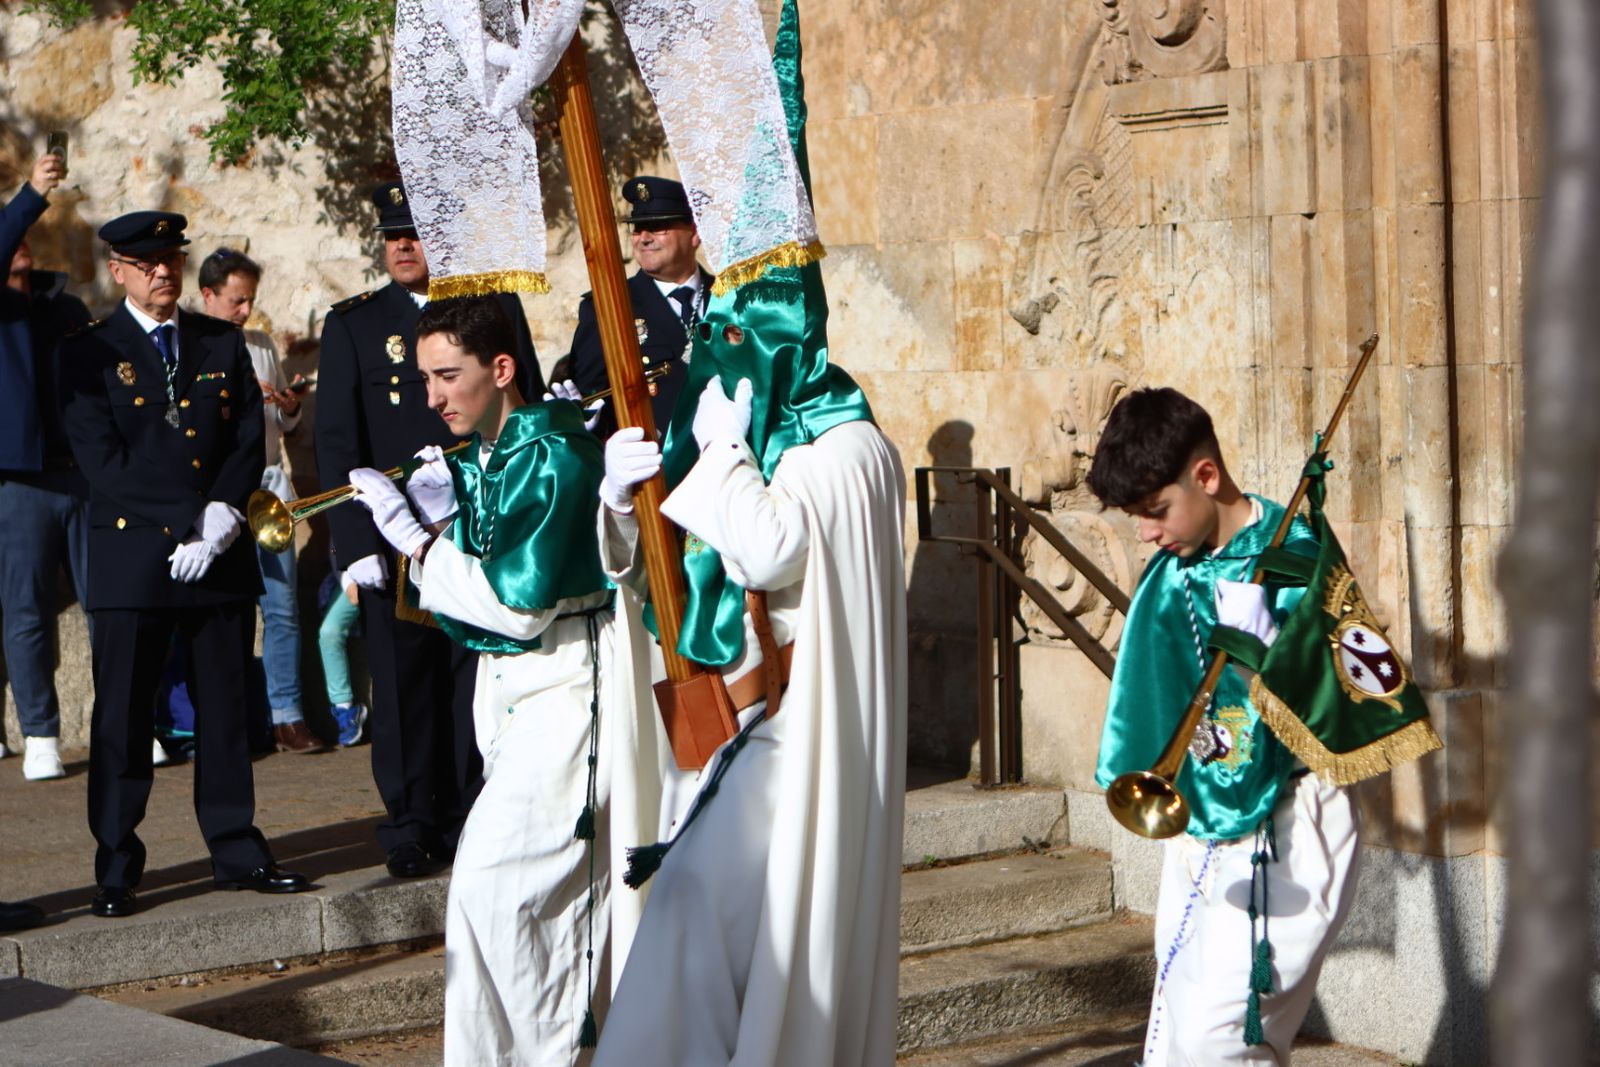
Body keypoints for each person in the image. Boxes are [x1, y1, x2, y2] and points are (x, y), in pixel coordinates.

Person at [348, 295, 660, 1065]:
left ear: (502, 367)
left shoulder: (553, 455)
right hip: (519, 704)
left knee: (498, 891)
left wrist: (421, 547)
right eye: (425, 379)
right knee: (507, 908)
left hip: (570, 699)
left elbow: (517, 606)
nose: (434, 397)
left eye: (448, 375)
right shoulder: (486, 454)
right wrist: (448, 518)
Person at [1083, 387, 1359, 1064]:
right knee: (1175, 1040)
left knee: (1220, 1042)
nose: (1146, 533)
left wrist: (1270, 629)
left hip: (1288, 820)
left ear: (1205, 476)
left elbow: (1349, 688)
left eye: (1155, 511)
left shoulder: (1294, 557)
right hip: (1200, 823)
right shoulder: (1172, 569)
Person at [59, 210, 311, 918]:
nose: (163, 271)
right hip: (134, 553)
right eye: (146, 263)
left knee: (227, 710)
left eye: (170, 258)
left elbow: (242, 437)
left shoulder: (219, 341)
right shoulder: (88, 352)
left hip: (219, 552)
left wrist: (225, 513)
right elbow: (101, 457)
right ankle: (115, 864)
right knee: (123, 718)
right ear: (119, 271)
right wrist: (186, 517)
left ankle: (236, 847)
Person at [314, 180, 545, 879]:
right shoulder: (355, 323)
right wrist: (353, 547)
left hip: (474, 525)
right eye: (392, 236)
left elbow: (521, 396)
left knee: (470, 675)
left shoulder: (490, 308)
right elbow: (337, 441)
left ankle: (475, 811)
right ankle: (411, 823)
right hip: (395, 538)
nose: (403, 246)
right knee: (404, 683)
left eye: (414, 233)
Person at [197, 247, 325, 754]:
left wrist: (288, 410)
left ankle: (287, 715)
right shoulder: (192, 344)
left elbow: (278, 427)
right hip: (221, 491)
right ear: (208, 294)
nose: (246, 310)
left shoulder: (261, 344)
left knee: (283, 604)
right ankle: (231, 722)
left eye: (249, 299)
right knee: (225, 609)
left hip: (269, 484)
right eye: (236, 300)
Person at [0, 150, 91, 784]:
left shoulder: (64, 305)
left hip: (82, 475)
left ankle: (129, 725)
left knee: (108, 601)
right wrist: (32, 191)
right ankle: (39, 733)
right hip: (20, 479)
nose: (23, 243)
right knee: (26, 610)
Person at [567, 175, 711, 437]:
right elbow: (591, 394)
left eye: (657, 226)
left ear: (694, 234)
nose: (643, 238)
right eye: (636, 228)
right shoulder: (610, 307)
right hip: (657, 467)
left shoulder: (728, 297)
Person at [317, 561, 368, 747]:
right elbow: (334, 549)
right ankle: (345, 709)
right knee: (329, 632)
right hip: (350, 576)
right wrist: (347, 582)